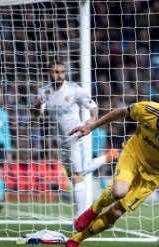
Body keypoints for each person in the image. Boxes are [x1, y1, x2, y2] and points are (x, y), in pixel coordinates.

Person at [64, 92, 159, 247]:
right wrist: (91, 126)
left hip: (153, 174)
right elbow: (121, 112)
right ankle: (93, 210)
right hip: (133, 156)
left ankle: (75, 240)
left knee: (115, 213)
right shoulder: (148, 110)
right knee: (119, 191)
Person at [32, 60, 119, 217]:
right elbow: (36, 115)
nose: (59, 75)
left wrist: (92, 120)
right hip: (60, 139)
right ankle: (107, 157)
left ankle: (79, 220)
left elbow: (92, 106)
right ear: (49, 73)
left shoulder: (74, 89)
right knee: (75, 174)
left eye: (62, 72)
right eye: (55, 72)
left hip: (77, 136)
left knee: (77, 176)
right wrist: (37, 106)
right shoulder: (44, 91)